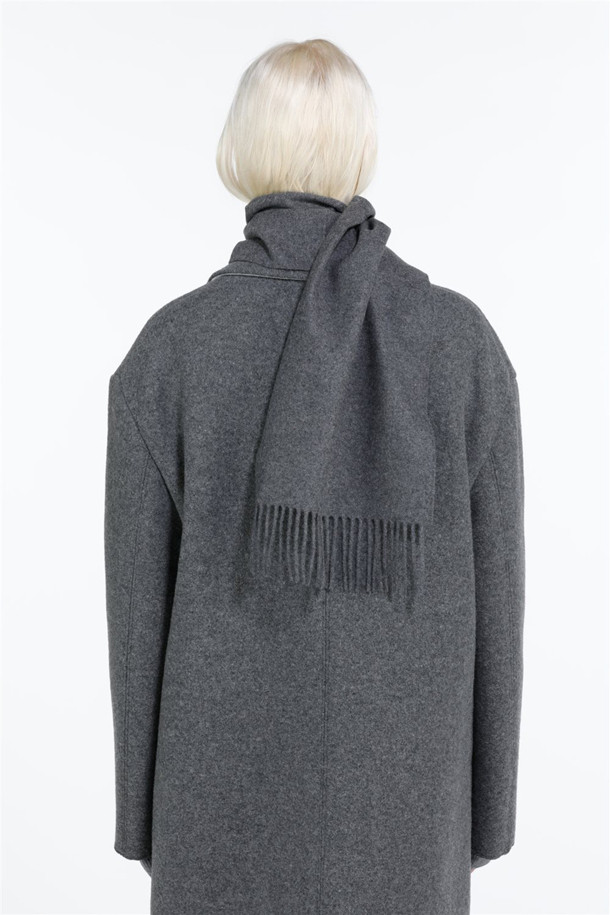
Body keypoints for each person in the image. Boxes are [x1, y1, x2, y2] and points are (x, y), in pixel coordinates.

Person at [104, 37, 525, 915]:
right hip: (409, 810)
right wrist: (487, 814)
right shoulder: (461, 345)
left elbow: (138, 618)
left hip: (217, 806)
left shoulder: (172, 350)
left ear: (242, 144)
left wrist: (145, 820)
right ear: (359, 146)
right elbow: (500, 602)